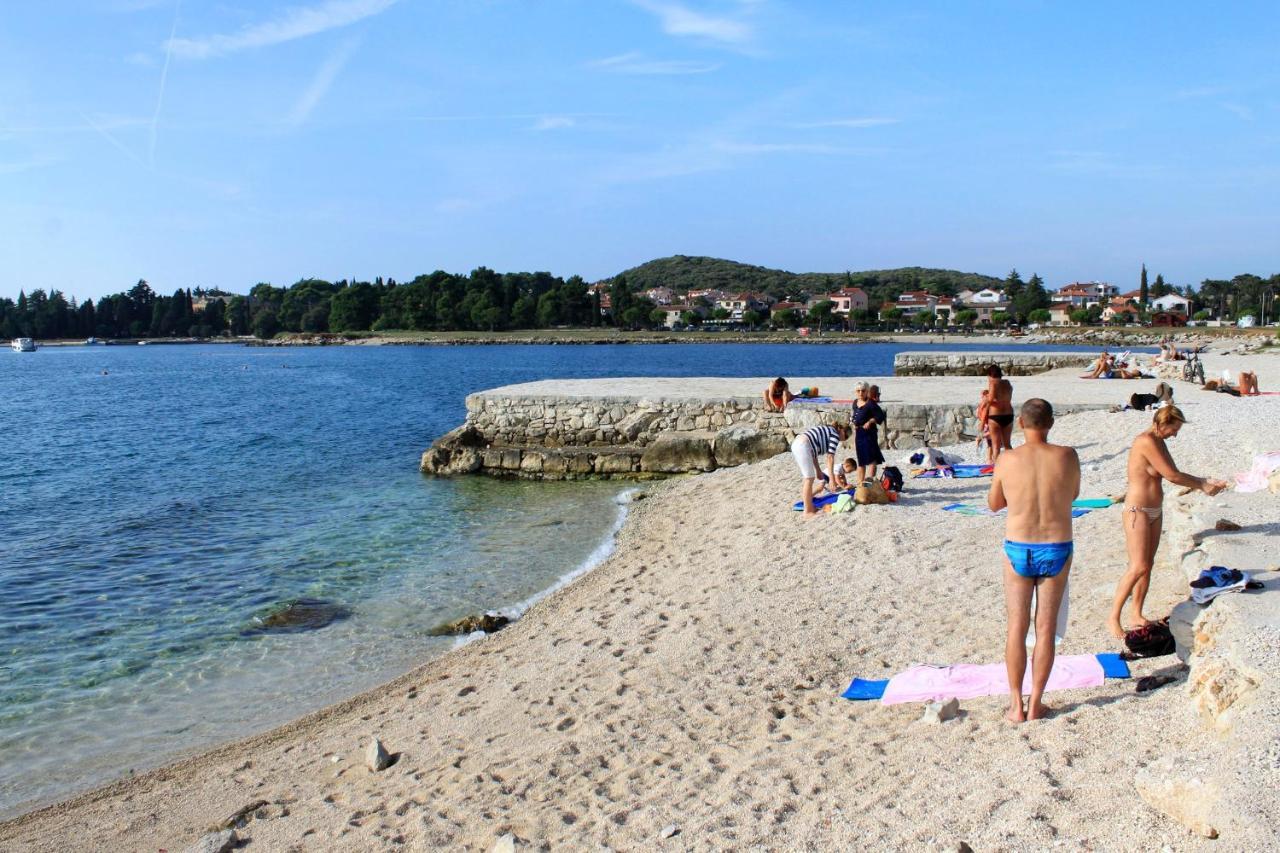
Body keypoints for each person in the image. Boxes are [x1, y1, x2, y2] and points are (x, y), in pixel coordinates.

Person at [987, 399, 1080, 722]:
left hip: (1019, 546)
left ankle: (1016, 704)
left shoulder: (1007, 459)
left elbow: (995, 503)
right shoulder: (1068, 456)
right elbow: (1072, 494)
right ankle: (1036, 702)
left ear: (1022, 424)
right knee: (1045, 627)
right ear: (1051, 423)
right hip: (1056, 545)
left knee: (1016, 627)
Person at [1107, 406, 1227, 638]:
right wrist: (1202, 485)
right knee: (1138, 566)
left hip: (1154, 509)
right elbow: (1171, 476)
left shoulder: (1159, 441)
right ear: (1163, 423)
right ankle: (1112, 618)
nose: (1175, 434)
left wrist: (1204, 480)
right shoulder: (1145, 441)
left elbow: (1174, 472)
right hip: (1137, 510)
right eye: (1174, 428)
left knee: (1147, 564)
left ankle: (1136, 614)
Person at [791, 422, 850, 515]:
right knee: (809, 479)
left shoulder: (828, 430)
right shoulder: (835, 436)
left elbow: (813, 452)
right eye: (846, 435)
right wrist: (831, 479)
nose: (845, 438)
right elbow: (830, 458)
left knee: (809, 478)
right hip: (803, 445)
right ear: (842, 430)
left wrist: (818, 470)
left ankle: (809, 507)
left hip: (797, 443)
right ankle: (807, 511)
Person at [851, 381, 886, 484]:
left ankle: (870, 482)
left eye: (863, 391)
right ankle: (860, 483)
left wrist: (870, 421)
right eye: (858, 391)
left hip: (869, 433)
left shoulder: (871, 403)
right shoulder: (855, 402)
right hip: (859, 433)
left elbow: (880, 416)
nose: (860, 393)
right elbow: (856, 415)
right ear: (855, 392)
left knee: (871, 458)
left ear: (867, 391)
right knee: (861, 459)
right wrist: (853, 421)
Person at [988, 376, 1015, 462]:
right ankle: (1014, 466)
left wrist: (985, 400)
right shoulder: (1008, 384)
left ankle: (998, 469)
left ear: (990, 375)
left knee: (996, 447)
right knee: (1008, 445)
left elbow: (990, 400)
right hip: (1008, 414)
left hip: (995, 415)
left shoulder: (993, 383)